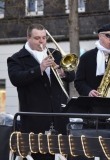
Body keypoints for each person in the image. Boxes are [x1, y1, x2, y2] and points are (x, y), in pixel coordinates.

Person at [7, 24, 75, 160]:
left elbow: (71, 75)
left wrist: (61, 72)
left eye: (44, 38)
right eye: (37, 38)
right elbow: (16, 79)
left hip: (58, 118)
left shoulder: (54, 53)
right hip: (34, 120)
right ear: (28, 38)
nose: (41, 41)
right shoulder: (17, 58)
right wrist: (40, 68)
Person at [74, 23, 110, 98]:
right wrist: (89, 91)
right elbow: (79, 82)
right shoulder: (86, 57)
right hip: (94, 103)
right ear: (99, 36)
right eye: (108, 35)